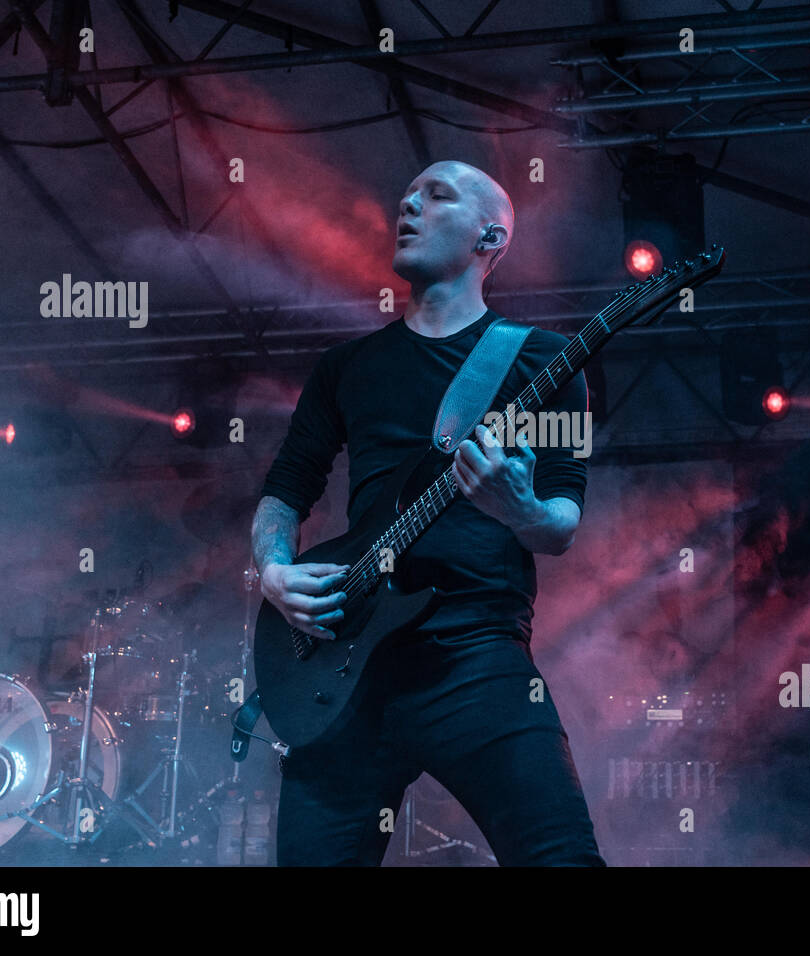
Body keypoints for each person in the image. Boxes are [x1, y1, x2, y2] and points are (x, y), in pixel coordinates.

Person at [250, 160, 605, 866]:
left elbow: (561, 523)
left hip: (474, 651)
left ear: (490, 236)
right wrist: (273, 570)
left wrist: (519, 507)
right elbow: (286, 490)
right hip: (343, 670)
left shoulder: (546, 360)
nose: (407, 203)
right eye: (405, 193)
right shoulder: (347, 366)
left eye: (436, 195)